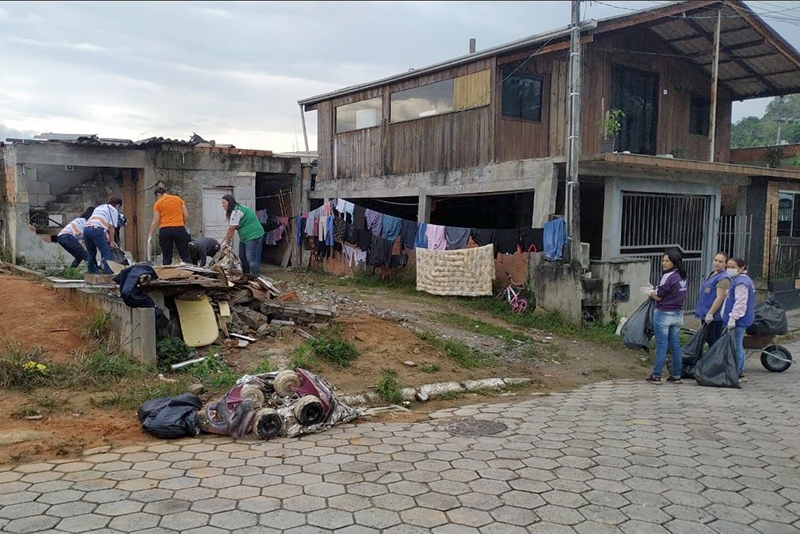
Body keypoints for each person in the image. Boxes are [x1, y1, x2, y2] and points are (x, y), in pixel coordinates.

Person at [643, 248, 689, 384]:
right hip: (677, 313)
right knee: (675, 345)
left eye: (667, 261)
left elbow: (658, 296)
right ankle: (676, 375)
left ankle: (656, 375)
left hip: (663, 313)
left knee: (661, 345)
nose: (664, 263)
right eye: (663, 260)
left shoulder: (667, 276)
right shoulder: (683, 276)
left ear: (674, 262)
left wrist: (650, 292)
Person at [722, 257, 755, 382]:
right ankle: (738, 371)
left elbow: (740, 303)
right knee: (737, 345)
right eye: (728, 267)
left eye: (733, 267)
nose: (729, 269)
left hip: (739, 320)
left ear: (741, 268)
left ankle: (737, 372)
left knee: (736, 346)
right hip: (741, 319)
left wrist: (733, 318)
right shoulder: (740, 280)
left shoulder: (741, 282)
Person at [221, 194, 264, 276]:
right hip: (245, 237)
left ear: (229, 202)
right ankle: (246, 276)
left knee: (251, 258)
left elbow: (231, 228)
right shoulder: (236, 209)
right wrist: (226, 239)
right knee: (242, 257)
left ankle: (256, 277)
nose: (222, 205)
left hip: (253, 235)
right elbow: (232, 228)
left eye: (224, 203)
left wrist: (226, 242)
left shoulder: (237, 211)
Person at [694, 252, 731, 347]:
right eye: (715, 260)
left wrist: (710, 314)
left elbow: (720, 298)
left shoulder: (723, 279)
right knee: (707, 339)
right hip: (706, 314)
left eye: (720, 262)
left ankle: (714, 357)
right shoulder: (714, 274)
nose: (717, 263)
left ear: (726, 264)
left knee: (713, 342)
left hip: (715, 317)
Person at [148, 186, 191, 265]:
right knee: (185, 254)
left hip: (165, 230)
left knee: (166, 256)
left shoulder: (158, 203)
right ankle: (189, 269)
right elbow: (186, 215)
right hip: (179, 228)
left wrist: (150, 234)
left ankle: (167, 270)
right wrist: (181, 224)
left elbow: (156, 220)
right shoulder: (178, 199)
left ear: (158, 194)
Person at [84, 196, 123, 274]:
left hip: (86, 229)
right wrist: (112, 242)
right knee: (107, 252)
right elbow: (111, 227)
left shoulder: (99, 207)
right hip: (97, 230)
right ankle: (108, 273)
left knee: (91, 252)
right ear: (118, 205)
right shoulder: (113, 210)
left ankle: (90, 272)